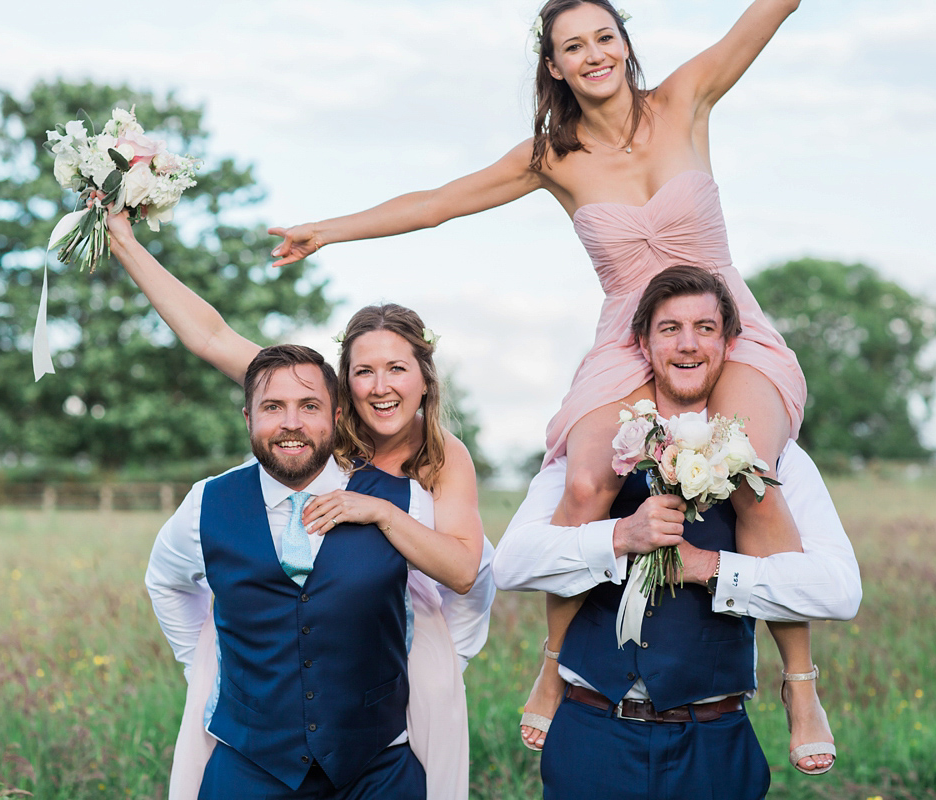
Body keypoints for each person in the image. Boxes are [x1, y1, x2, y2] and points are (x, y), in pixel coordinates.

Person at [267, 0, 830, 771]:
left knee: (748, 471)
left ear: (624, 46)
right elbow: (438, 204)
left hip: (719, 330)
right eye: (574, 46)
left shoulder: (686, 97)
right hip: (629, 342)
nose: (594, 54)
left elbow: (771, 10)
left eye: (605, 37)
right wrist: (329, 229)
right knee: (588, 479)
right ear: (554, 66)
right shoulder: (552, 156)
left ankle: (800, 682)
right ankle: (556, 662)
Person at [106, 212, 494, 799]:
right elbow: (210, 336)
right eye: (363, 371)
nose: (379, 386)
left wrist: (381, 514)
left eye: (396, 369)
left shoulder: (441, 454)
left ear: (424, 378)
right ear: (342, 389)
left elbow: (467, 570)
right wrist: (125, 244)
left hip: (389, 650)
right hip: (272, 654)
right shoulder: (311, 408)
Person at [492, 266, 862, 797]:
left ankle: (801, 688)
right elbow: (512, 563)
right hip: (592, 735)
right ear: (644, 342)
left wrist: (709, 568)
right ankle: (549, 670)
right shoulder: (597, 448)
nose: (688, 344)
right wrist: (620, 536)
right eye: (670, 329)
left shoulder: (773, 453)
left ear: (728, 342)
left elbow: (839, 589)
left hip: (713, 743)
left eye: (705, 328)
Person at [146, 344, 480, 799]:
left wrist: (443, 663)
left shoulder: (405, 500)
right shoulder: (206, 504)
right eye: (272, 407)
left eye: (309, 406)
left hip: (378, 767)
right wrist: (198, 666)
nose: (291, 423)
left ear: (338, 416)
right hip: (247, 767)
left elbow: (471, 582)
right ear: (247, 418)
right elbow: (164, 582)